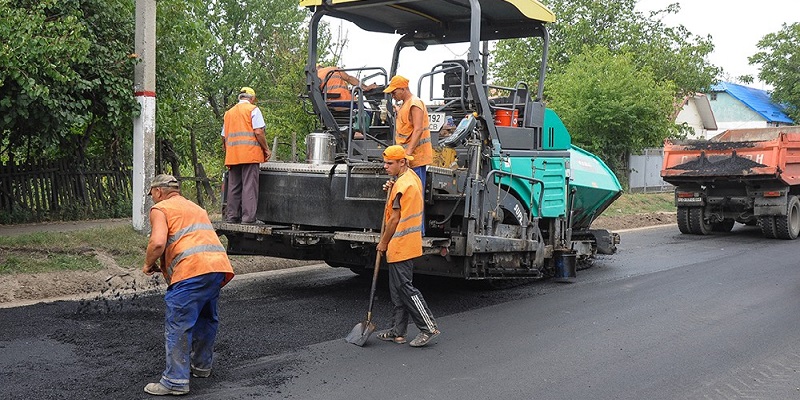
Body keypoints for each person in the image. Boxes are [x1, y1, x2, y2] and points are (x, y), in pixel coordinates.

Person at [141, 174, 235, 396]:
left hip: (191, 271)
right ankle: (202, 366)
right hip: (216, 267)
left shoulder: (161, 209)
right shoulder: (196, 207)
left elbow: (157, 243)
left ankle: (174, 380)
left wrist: (148, 264)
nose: (153, 199)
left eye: (152, 195)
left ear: (157, 191)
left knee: (179, 323)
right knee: (206, 318)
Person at [376, 145, 441, 348]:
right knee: (397, 290)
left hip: (401, 243)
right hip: (403, 242)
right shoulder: (409, 177)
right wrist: (392, 185)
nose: (385, 166)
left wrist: (383, 243)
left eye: (389, 163)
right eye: (385, 162)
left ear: (402, 162)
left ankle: (428, 327)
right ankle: (398, 331)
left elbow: (394, 219)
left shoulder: (404, 184)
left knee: (405, 288)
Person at [383, 75, 433, 234]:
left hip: (414, 159)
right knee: (404, 197)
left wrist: (408, 155)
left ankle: (417, 232)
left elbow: (418, 129)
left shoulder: (415, 104)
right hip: (406, 160)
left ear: (403, 89)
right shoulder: (405, 105)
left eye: (394, 92)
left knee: (413, 197)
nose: (392, 95)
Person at [222, 86, 271, 225]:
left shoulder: (229, 113)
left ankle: (232, 217)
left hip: (233, 155)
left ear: (240, 97)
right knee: (249, 186)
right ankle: (248, 219)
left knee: (233, 186)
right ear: (252, 98)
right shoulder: (253, 110)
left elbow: (223, 136)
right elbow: (258, 132)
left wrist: (229, 150)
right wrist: (266, 149)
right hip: (250, 154)